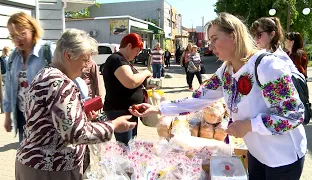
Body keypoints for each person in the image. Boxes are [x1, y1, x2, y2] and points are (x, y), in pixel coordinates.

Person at [130, 13, 306, 180]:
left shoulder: (267, 66)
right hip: (257, 154)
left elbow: (294, 115)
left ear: (234, 35)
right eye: (209, 41)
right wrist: (158, 108)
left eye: (215, 39)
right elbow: (198, 99)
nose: (210, 46)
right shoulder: (226, 72)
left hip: (283, 158)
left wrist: (249, 125)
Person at [15, 28, 136, 180]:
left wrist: (81, 117)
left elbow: (53, 120)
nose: (86, 66)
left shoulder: (46, 74)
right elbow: (76, 134)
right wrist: (113, 125)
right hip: (50, 168)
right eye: (85, 60)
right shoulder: (60, 83)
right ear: (68, 56)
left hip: (37, 165)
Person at [2, 12, 55, 143]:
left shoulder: (47, 51)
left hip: (46, 117)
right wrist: (7, 116)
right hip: (22, 116)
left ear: (32, 29)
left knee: (46, 157)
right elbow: (9, 88)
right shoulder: (13, 57)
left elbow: (68, 77)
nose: (17, 39)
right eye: (13, 36)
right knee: (27, 157)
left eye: (22, 34)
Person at [103, 33, 151, 145]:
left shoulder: (123, 61)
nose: (137, 54)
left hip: (126, 109)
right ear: (129, 46)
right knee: (125, 147)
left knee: (130, 144)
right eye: (137, 50)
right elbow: (131, 82)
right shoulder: (117, 60)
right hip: (120, 110)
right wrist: (145, 73)